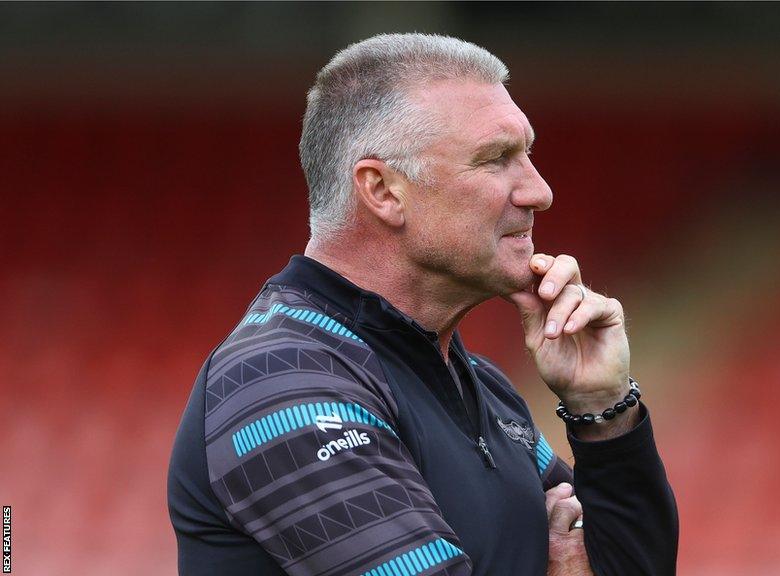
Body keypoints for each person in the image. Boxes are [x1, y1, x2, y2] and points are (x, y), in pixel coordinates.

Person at [168, 33, 678, 576]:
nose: (539, 191)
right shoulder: (279, 378)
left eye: (528, 155)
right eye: (496, 159)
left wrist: (601, 407)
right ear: (383, 191)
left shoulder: (479, 386)